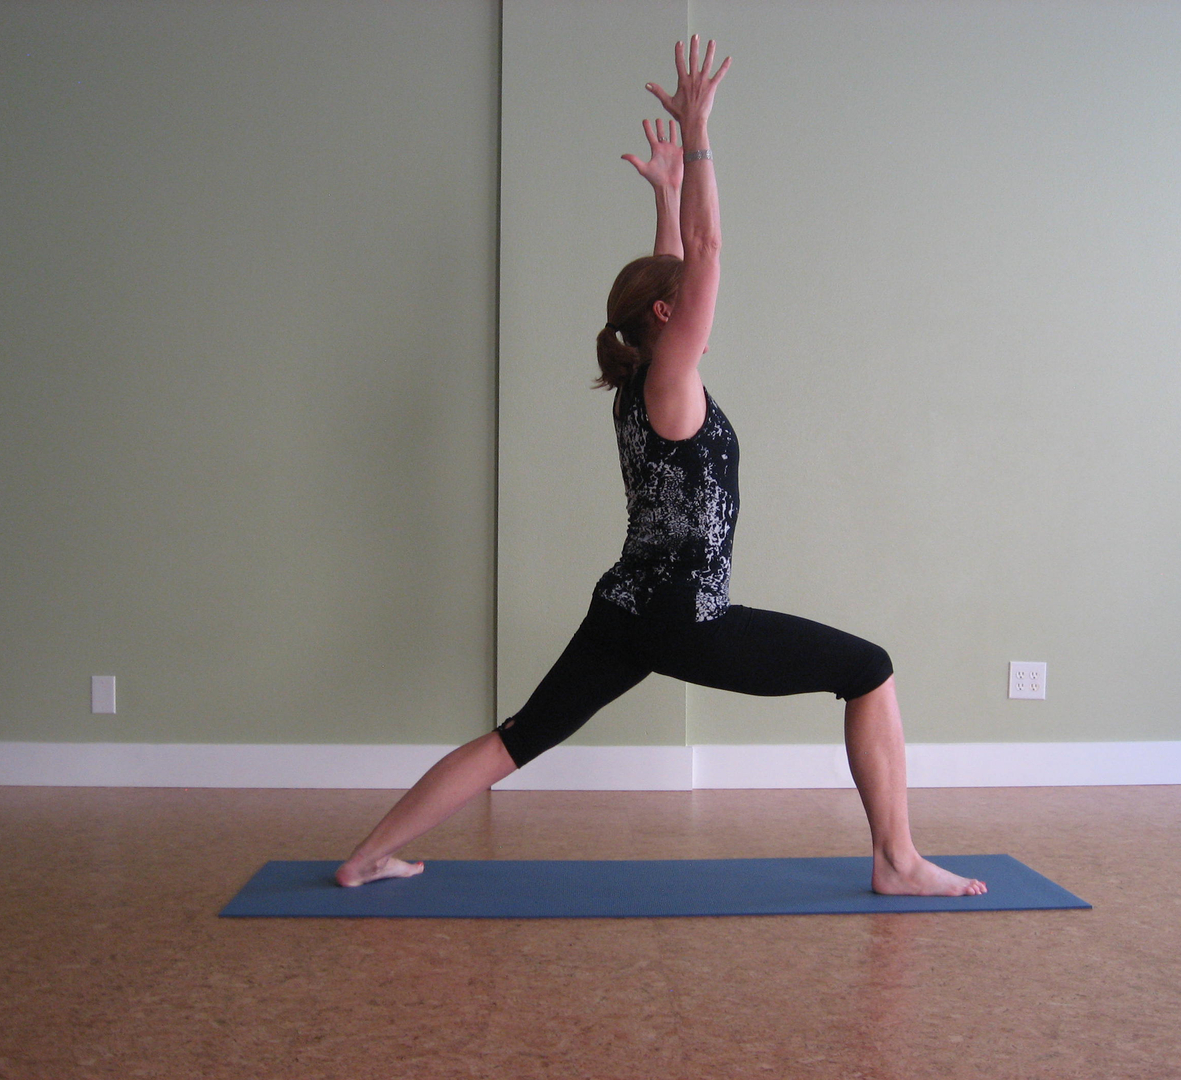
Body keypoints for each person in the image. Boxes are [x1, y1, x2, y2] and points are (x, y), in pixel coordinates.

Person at [337, 36, 987, 898]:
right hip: (689, 618)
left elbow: (679, 268)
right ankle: (897, 860)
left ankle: (365, 856)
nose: (706, 306)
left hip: (626, 606)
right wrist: (701, 138)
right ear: (667, 314)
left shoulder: (638, 378)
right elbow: (706, 257)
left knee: (518, 737)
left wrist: (669, 192)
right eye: (687, 301)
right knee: (869, 667)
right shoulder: (671, 382)